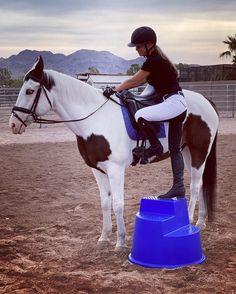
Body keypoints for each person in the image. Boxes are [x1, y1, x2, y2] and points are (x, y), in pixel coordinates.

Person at [103, 26, 187, 199]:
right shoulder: (157, 60)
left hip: (174, 102)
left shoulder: (154, 60)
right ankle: (179, 186)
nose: (137, 49)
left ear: (150, 44)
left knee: (140, 115)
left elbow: (134, 81)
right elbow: (150, 87)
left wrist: (113, 89)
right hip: (178, 103)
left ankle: (155, 146)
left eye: (139, 46)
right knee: (175, 149)